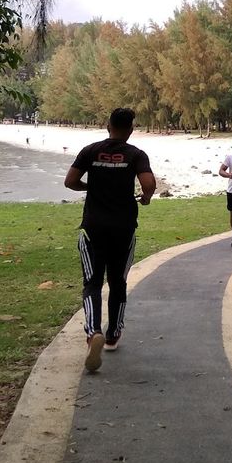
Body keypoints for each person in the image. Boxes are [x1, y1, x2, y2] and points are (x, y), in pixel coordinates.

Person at [64, 108, 156, 372]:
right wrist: (146, 198)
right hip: (123, 228)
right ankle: (113, 334)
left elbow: (70, 181)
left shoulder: (90, 151)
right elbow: (149, 184)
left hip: (93, 228)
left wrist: (90, 187)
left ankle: (93, 332)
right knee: (118, 282)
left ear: (108, 126)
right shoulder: (136, 154)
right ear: (131, 129)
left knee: (92, 283)